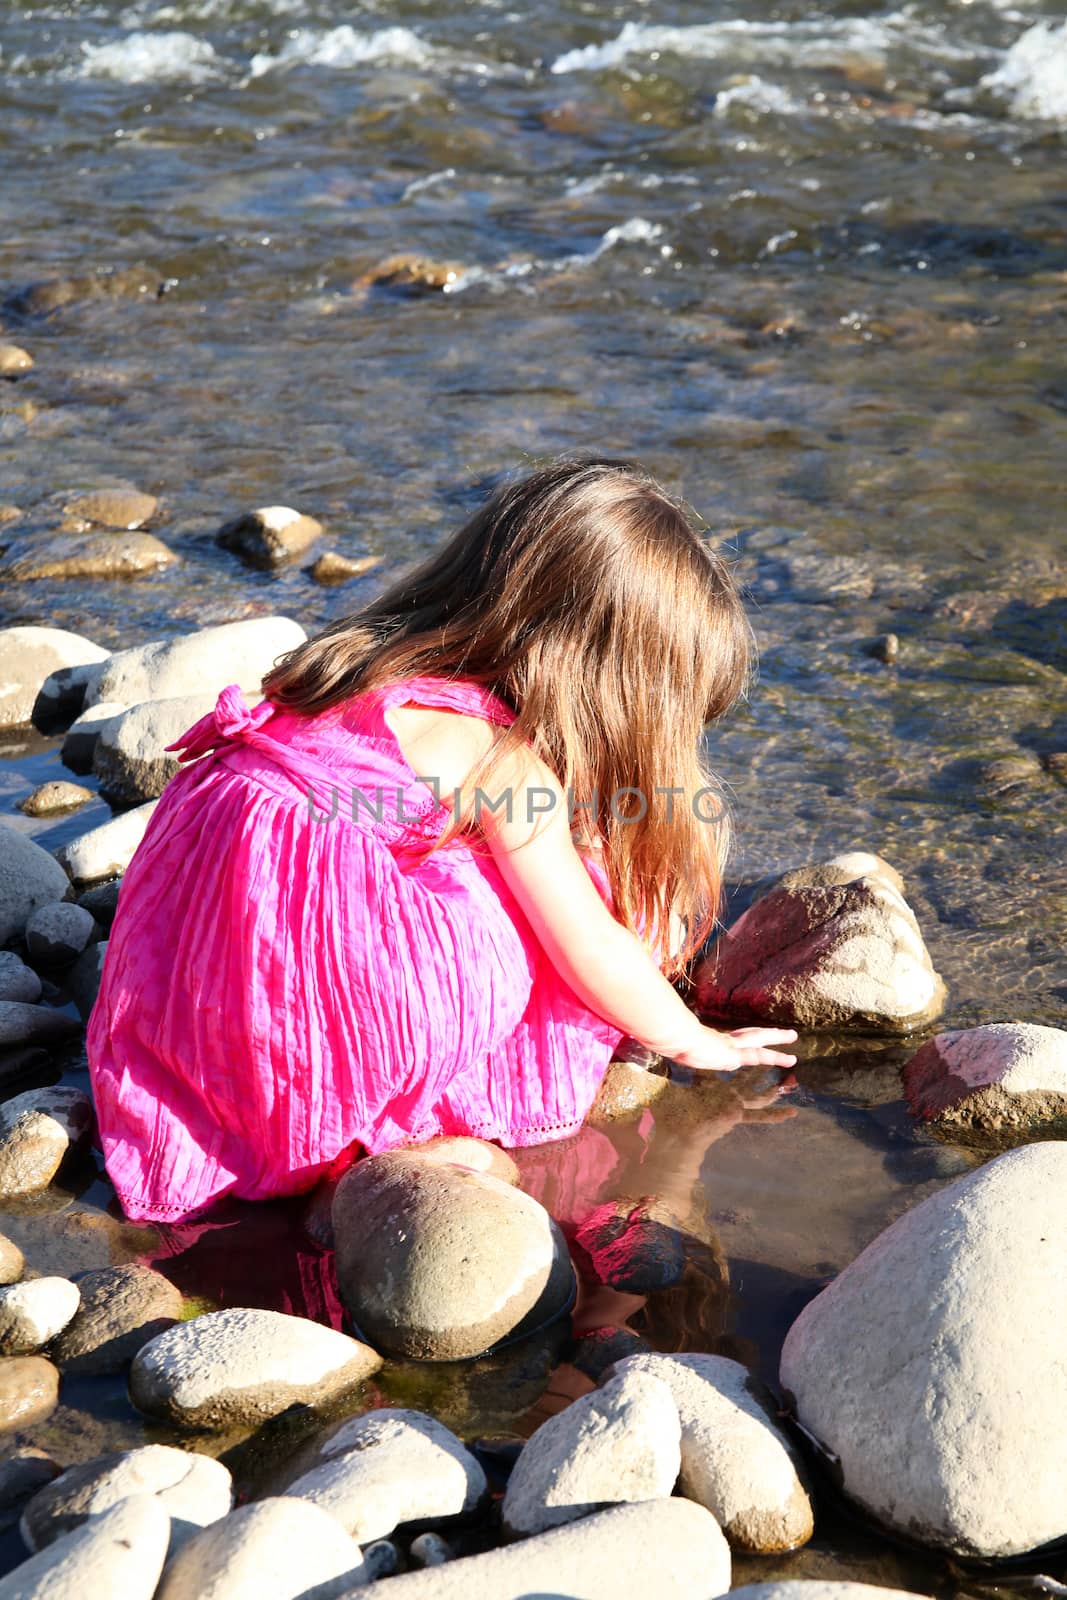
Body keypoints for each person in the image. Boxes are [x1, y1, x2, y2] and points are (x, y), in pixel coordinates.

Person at [87, 456, 796, 1224]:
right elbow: (582, 942)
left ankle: (286, 1118)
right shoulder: (498, 754)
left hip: (195, 997)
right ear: (611, 685)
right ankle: (400, 1143)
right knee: (543, 893)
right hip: (332, 1017)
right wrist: (691, 1039)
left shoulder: (346, 670)